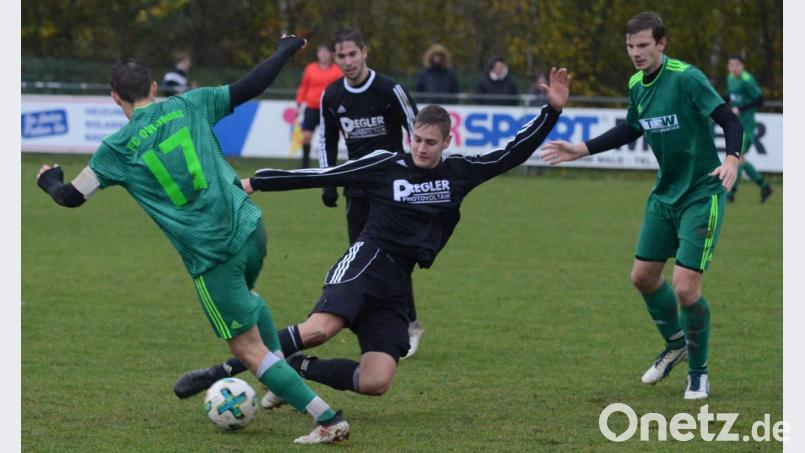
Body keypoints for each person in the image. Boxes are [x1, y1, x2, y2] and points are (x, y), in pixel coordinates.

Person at [35, 35, 350, 445]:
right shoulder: (189, 103)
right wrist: (283, 50)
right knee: (251, 298)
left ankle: (327, 419)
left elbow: (70, 197)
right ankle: (280, 383)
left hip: (211, 253)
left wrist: (48, 179)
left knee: (246, 348)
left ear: (115, 98)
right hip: (251, 227)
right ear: (152, 88)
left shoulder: (114, 150)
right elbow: (251, 86)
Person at [540, 12, 743, 400]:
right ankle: (676, 343)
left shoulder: (687, 78)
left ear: (661, 43)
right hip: (664, 194)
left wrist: (732, 158)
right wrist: (582, 149)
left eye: (643, 45)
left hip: (702, 193)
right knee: (643, 277)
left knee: (686, 289)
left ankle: (698, 373)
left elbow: (728, 120)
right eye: (631, 46)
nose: (636, 53)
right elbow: (632, 127)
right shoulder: (636, 83)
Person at [724, 54, 773, 203]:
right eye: (731, 65)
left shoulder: (747, 80)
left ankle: (731, 193)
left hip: (747, 127)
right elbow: (730, 97)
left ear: (742, 66)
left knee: (736, 159)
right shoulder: (730, 78)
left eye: (736, 65)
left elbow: (760, 99)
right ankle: (764, 186)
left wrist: (742, 108)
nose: (733, 68)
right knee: (741, 160)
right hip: (736, 125)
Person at [295, 44, 343, 168]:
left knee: (330, 138)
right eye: (320, 52)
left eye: (325, 52)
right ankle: (304, 167)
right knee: (306, 136)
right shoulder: (310, 69)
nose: (322, 55)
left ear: (331, 54)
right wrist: (299, 102)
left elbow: (341, 89)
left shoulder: (337, 71)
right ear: (317, 54)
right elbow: (303, 86)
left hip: (329, 109)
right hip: (312, 107)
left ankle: (329, 165)